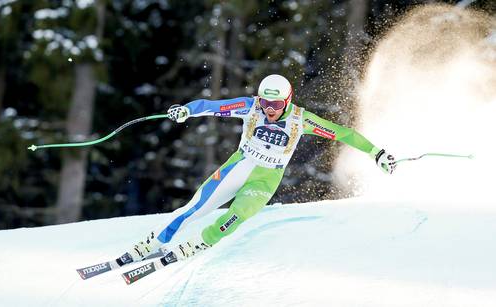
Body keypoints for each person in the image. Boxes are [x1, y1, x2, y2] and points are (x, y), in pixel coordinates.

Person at [112, 74, 396, 267]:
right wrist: (186, 110)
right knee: (194, 208)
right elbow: (213, 107)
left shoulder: (300, 120)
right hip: (239, 165)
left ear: (287, 101)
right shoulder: (251, 108)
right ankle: (153, 243)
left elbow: (343, 134)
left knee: (237, 215)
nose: (269, 109)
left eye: (275, 104)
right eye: (265, 102)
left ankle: (197, 244)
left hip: (266, 177)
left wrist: (376, 152)